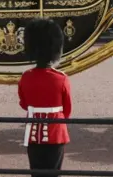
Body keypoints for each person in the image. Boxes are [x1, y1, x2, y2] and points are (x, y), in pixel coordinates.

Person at [18, 18, 72, 177]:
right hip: (56, 132)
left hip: (33, 133)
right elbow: (67, 109)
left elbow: (24, 103)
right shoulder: (61, 78)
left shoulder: (26, 77)